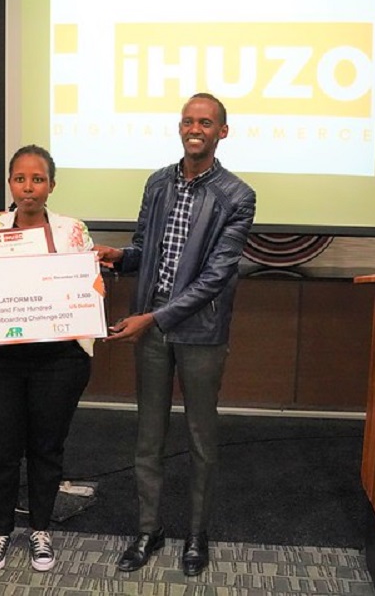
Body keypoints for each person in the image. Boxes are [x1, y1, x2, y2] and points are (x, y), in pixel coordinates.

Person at [95, 93, 256, 577]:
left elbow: (215, 278)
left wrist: (156, 318)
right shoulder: (158, 182)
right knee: (148, 436)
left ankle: (196, 534)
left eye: (205, 122)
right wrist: (120, 257)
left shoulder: (237, 196)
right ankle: (149, 530)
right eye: (188, 121)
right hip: (151, 328)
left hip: (200, 331)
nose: (195, 129)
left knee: (201, 439)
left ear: (222, 132)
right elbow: (146, 248)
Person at [0, 145, 95, 574]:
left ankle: (40, 529)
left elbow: (87, 288)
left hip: (57, 359)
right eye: (20, 179)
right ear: (10, 184)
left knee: (46, 448)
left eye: (37, 179)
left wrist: (88, 290)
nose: (28, 187)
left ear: (51, 185)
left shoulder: (73, 231)